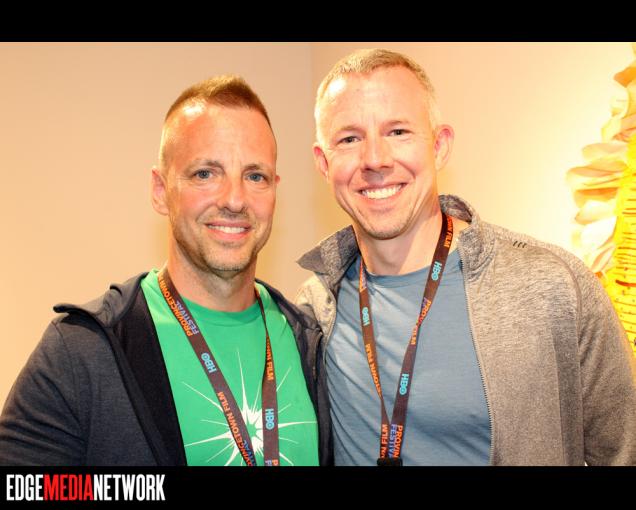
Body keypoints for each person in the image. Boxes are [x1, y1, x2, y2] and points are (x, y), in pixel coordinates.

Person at [296, 48, 636, 466]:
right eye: (349, 139)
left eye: (398, 131)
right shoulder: (314, 311)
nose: (375, 159)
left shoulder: (556, 287)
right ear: (323, 163)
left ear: (439, 146)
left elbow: (623, 452)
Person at [0, 75, 330, 466]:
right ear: (160, 190)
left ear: (275, 189)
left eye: (255, 176)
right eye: (205, 173)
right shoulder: (82, 350)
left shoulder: (314, 341)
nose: (234, 199)